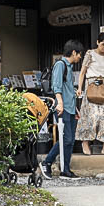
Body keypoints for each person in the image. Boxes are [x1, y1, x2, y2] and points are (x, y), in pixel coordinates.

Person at [40, 40, 83, 179]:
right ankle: (47, 162)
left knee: (69, 140)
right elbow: (56, 85)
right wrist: (60, 103)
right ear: (74, 52)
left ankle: (66, 169)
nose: (80, 57)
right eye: (79, 54)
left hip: (70, 108)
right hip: (62, 107)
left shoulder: (69, 67)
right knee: (66, 138)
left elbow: (69, 89)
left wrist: (75, 108)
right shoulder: (61, 65)